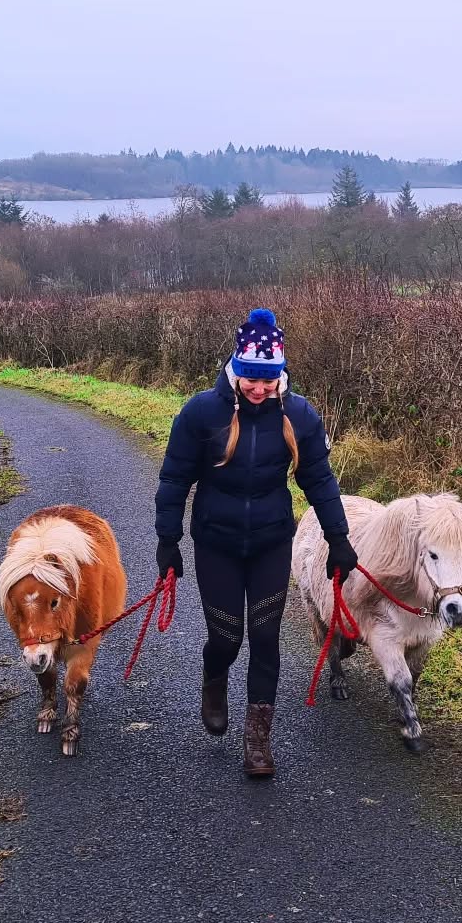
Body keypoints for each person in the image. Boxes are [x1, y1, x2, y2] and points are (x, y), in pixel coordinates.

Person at [154, 308, 357, 777]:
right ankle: (214, 675)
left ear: (280, 374)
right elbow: (174, 478)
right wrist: (168, 540)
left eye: (268, 380)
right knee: (226, 638)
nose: (260, 389)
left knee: (265, 638)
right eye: (251, 379)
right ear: (236, 369)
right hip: (217, 543)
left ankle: (258, 741)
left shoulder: (299, 415)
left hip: (270, 541)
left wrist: (339, 538)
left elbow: (319, 480)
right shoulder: (202, 413)